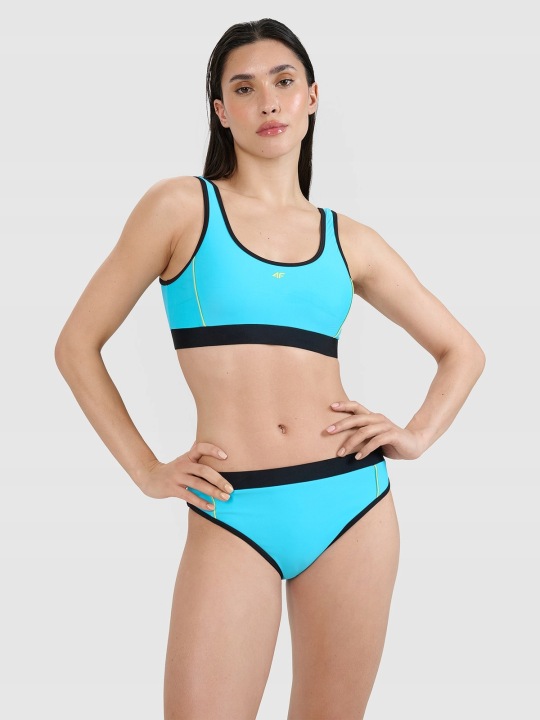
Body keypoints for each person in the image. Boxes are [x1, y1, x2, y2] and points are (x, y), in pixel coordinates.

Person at [54, 17, 485, 720]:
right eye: (244, 88)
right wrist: (145, 470)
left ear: (312, 96)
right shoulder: (181, 207)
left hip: (352, 506)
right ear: (221, 111)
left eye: (284, 82)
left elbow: (462, 351)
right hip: (234, 509)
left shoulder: (349, 239)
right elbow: (76, 344)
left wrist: (415, 434)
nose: (268, 102)